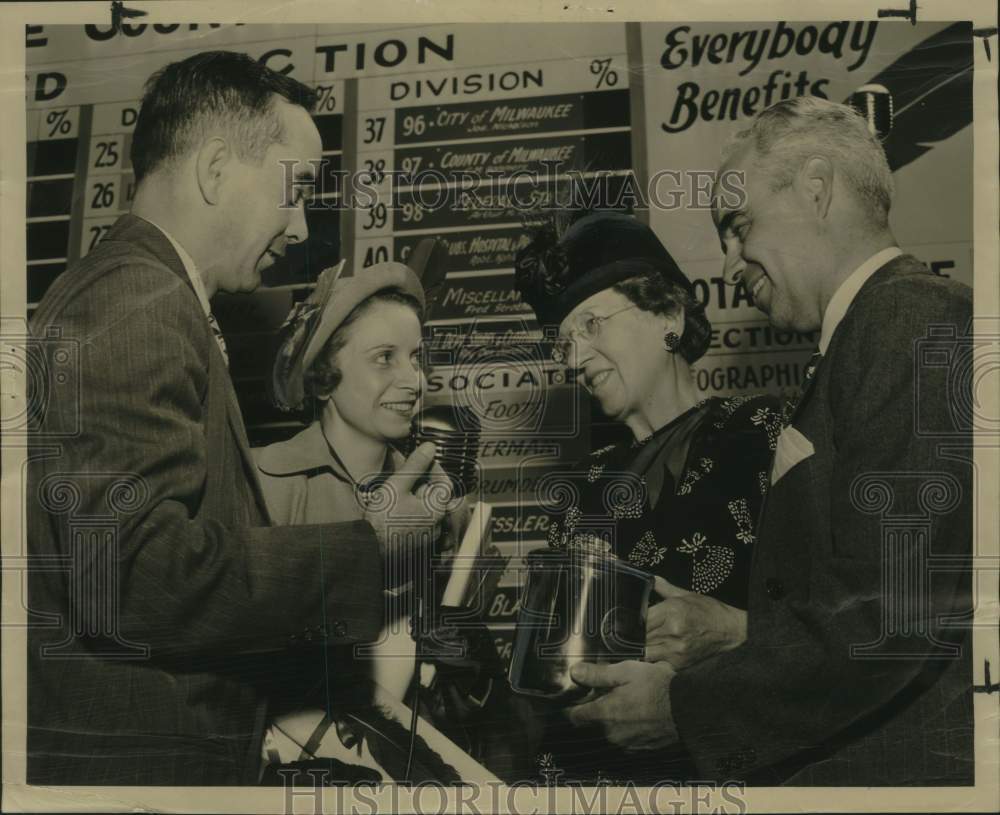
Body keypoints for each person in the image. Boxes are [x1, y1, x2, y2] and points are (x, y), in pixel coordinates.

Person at [26, 51, 448, 785]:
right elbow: (129, 578)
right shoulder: (134, 302)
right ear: (216, 167)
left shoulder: (151, 297)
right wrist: (369, 546)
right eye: (297, 190)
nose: (302, 222)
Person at [568, 97, 974, 785]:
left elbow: (895, 618)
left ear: (817, 188)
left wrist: (685, 708)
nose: (730, 264)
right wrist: (734, 630)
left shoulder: (911, 319)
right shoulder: (867, 334)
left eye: (738, 225)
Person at [512, 210, 781, 783]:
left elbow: (838, 629)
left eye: (591, 325)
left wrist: (736, 631)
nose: (574, 359)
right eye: (563, 342)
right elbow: (553, 683)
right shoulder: (580, 493)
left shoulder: (766, 437)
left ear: (668, 314)